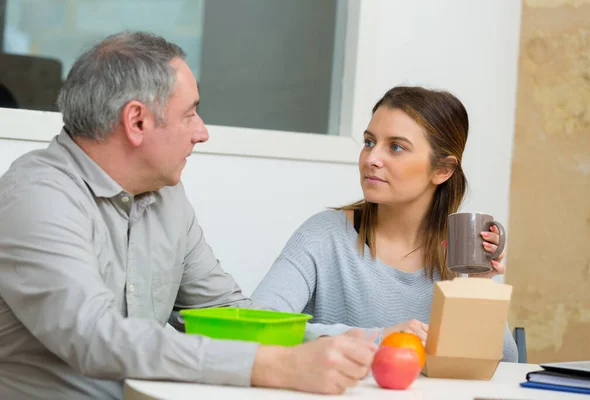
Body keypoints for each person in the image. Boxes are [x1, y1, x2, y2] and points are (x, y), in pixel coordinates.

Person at [0, 32, 378, 400]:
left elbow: (226, 314)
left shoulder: (166, 196)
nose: (202, 132)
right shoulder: (36, 196)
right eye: (190, 113)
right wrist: (275, 365)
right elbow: (95, 336)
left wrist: (351, 344)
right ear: (137, 121)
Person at [252, 86, 518, 361]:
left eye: (396, 147)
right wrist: (381, 339)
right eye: (369, 142)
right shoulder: (324, 234)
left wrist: (479, 286)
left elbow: (509, 364)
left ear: (442, 170)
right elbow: (258, 324)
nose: (372, 159)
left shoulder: (456, 257)